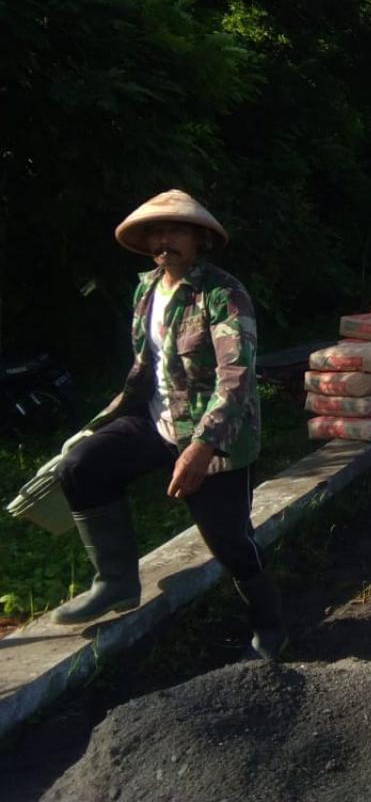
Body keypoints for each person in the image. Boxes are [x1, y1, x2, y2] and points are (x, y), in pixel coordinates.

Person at [51, 190, 286, 660]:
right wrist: (104, 421)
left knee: (229, 542)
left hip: (215, 434)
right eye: (156, 233)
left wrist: (202, 446)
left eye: (176, 231)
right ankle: (115, 581)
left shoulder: (222, 294)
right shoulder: (146, 290)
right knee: (80, 465)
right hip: (156, 421)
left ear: (199, 238)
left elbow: (236, 376)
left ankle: (271, 626)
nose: (164, 241)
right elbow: (146, 366)